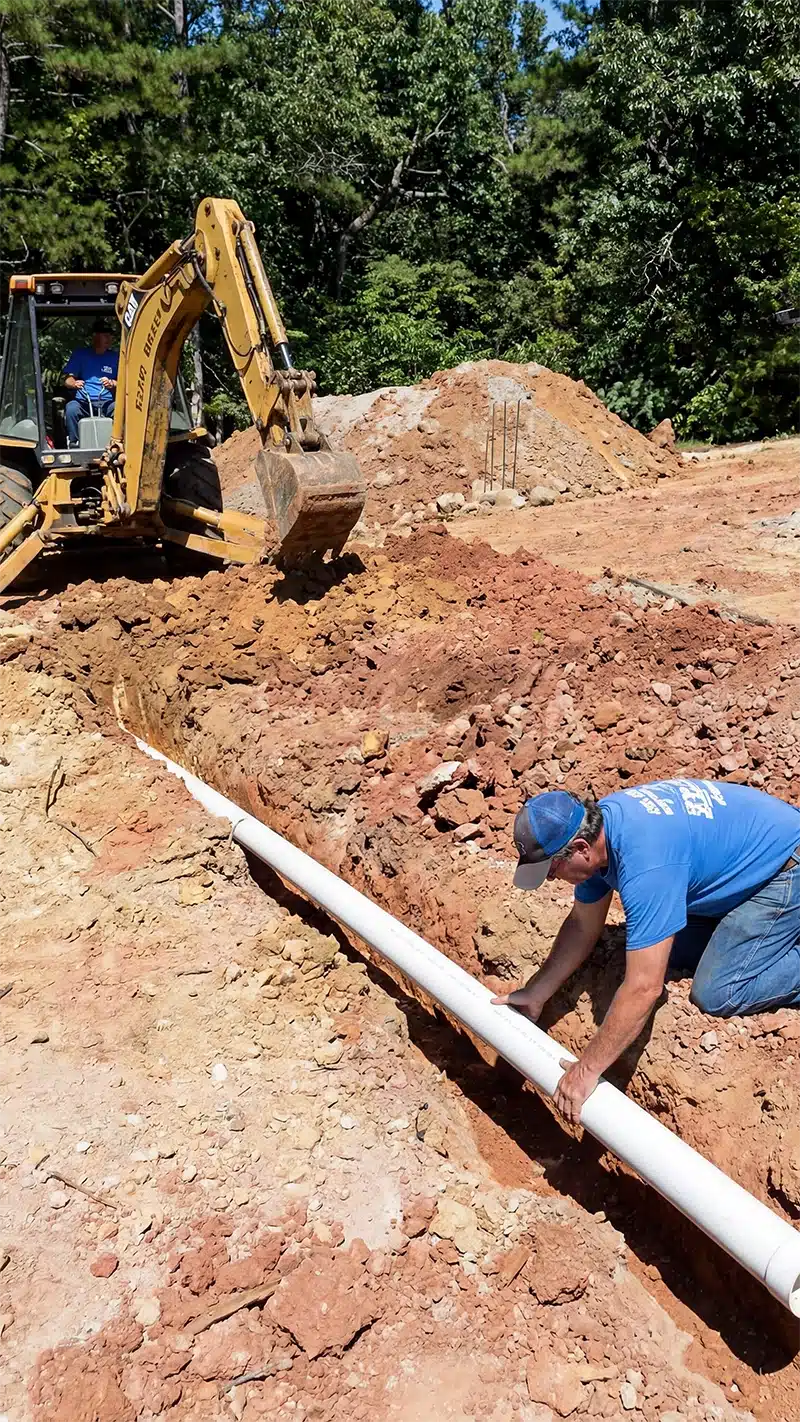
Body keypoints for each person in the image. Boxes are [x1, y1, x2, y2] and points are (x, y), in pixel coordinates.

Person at [492, 779, 800, 1124]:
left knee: (718, 990)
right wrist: (537, 991)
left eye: (551, 870)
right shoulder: (599, 836)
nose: (550, 880)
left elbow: (644, 987)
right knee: (669, 948)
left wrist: (586, 1070)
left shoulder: (646, 862)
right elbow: (583, 925)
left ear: (580, 848)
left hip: (786, 867)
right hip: (753, 854)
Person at [63, 318, 119, 446]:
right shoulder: (80, 355)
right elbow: (67, 379)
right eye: (105, 336)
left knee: (119, 409)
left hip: (107, 403)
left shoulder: (115, 357)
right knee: (71, 409)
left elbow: (125, 382)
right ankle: (74, 443)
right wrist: (74, 383)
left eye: (110, 336)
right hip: (83, 402)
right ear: (95, 337)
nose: (109, 339)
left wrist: (112, 383)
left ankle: (117, 443)